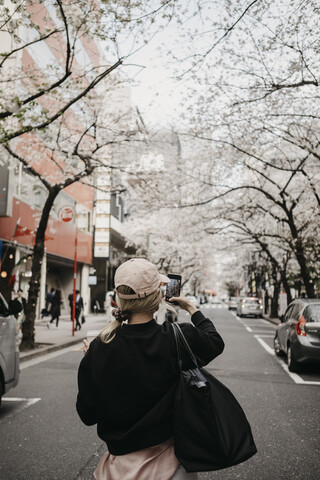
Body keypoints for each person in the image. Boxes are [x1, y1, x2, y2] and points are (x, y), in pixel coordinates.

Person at [76, 258, 224, 480]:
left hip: (118, 470)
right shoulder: (177, 336)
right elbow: (215, 342)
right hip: (172, 467)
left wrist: (92, 364)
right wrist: (192, 308)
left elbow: (88, 414)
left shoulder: (99, 348)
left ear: (118, 299)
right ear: (158, 297)